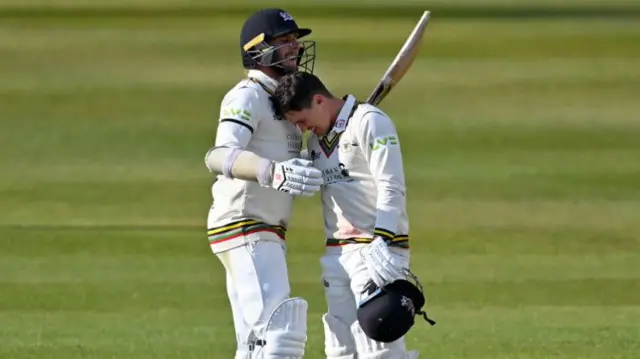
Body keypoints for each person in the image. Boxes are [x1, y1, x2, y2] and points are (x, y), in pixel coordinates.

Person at [272, 72, 435, 359]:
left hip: (378, 247)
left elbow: (391, 184)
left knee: (379, 350)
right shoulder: (315, 143)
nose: (302, 129)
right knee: (340, 349)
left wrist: (382, 239)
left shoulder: (370, 121)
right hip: (337, 251)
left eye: (301, 119)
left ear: (319, 100)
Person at [203, 9, 324, 359]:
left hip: (263, 228)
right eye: (285, 41)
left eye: (294, 41)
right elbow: (219, 155)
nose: (296, 49)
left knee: (255, 344)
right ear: (259, 50)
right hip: (244, 224)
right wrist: (273, 172)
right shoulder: (248, 96)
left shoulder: (284, 99)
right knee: (278, 334)